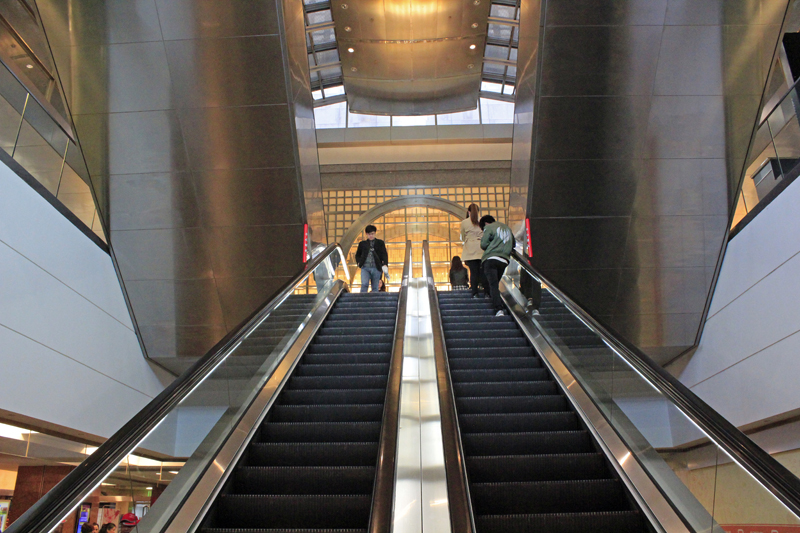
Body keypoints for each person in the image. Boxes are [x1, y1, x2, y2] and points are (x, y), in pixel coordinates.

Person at [480, 215, 515, 316]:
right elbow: (513, 244)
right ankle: (497, 302)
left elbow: (483, 244)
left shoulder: (489, 228)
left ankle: (499, 309)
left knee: (493, 285)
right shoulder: (507, 228)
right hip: (504, 260)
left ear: (485, 224)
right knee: (495, 283)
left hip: (491, 259)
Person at [460, 203, 486, 297]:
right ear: (478, 211)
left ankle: (475, 293)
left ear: (468, 212)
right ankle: (486, 291)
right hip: (481, 250)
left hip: (470, 250)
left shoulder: (464, 222)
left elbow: (463, 237)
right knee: (482, 271)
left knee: (473, 272)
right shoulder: (482, 221)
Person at [354, 225, 389, 293]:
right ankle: (362, 301)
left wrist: (385, 264)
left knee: (375, 287)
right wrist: (358, 262)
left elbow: (384, 254)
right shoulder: (362, 244)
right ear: (366, 234)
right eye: (369, 234)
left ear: (375, 233)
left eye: (372, 234)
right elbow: (357, 254)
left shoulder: (380, 243)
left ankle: (374, 303)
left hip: (376, 267)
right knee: (364, 284)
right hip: (365, 267)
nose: (371, 235)